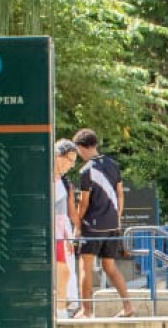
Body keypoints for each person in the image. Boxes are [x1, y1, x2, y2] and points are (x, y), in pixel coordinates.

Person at [71, 128, 137, 318]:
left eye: (77, 149)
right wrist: (117, 217)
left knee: (85, 266)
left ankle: (86, 310)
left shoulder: (86, 171)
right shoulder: (113, 165)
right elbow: (120, 194)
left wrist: (77, 226)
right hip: (112, 225)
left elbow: (84, 202)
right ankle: (128, 306)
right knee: (110, 266)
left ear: (82, 147)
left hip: (92, 226)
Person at [52, 138, 80, 317]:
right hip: (53, 231)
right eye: (69, 160)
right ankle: (60, 310)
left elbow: (65, 212)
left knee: (64, 272)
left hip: (60, 232)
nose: (71, 165)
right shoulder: (47, 179)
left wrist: (68, 235)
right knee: (62, 271)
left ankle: (61, 310)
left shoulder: (62, 181)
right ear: (57, 156)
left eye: (73, 162)